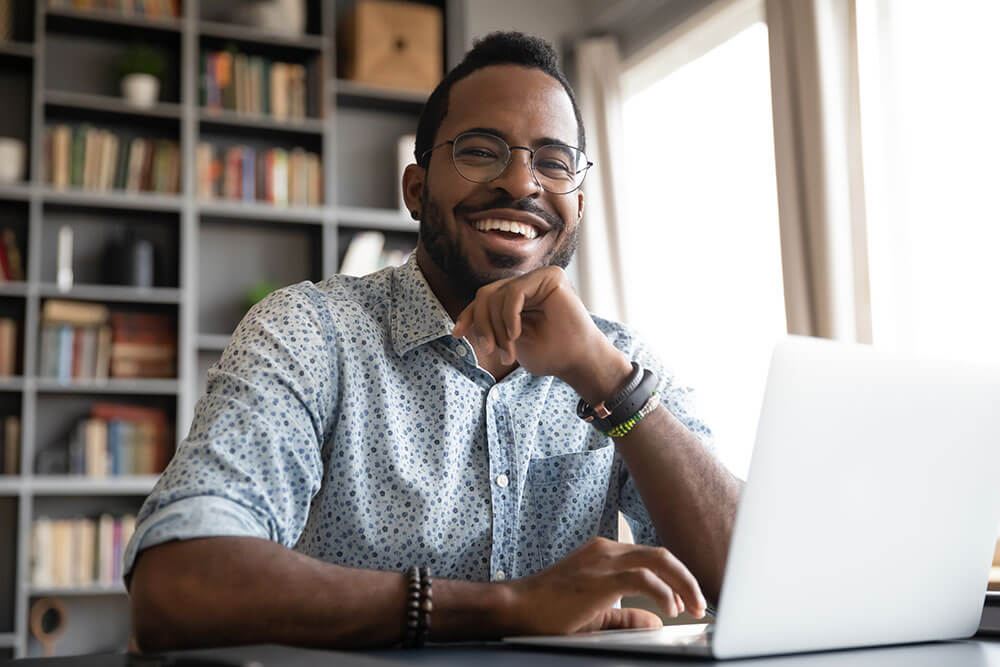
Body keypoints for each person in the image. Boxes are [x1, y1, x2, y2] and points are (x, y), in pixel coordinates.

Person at [127, 31, 743, 651]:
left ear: (577, 204)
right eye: (481, 151)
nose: (521, 183)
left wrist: (612, 386)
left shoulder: (618, 362)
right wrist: (509, 608)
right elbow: (178, 581)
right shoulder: (311, 333)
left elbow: (750, 575)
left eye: (553, 162)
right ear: (417, 190)